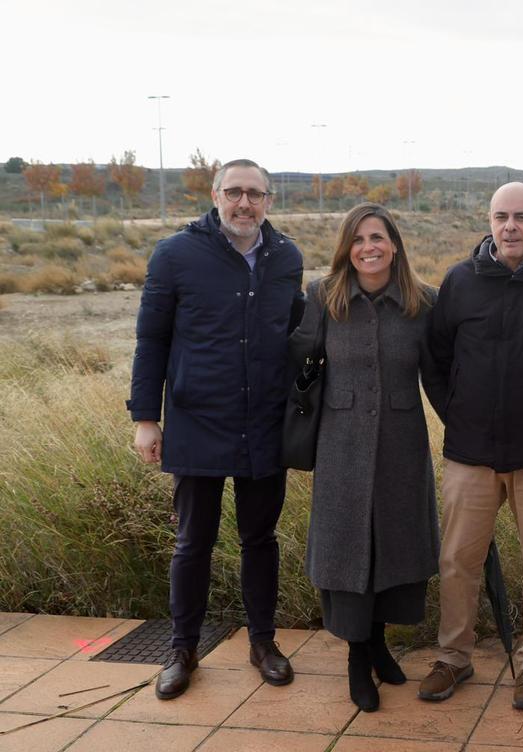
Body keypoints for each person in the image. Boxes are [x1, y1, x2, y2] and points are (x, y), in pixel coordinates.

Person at [128, 159, 303, 700]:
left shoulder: (286, 257)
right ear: (215, 195)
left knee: (259, 540)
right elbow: (151, 339)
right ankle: (182, 650)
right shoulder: (175, 254)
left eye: (255, 194)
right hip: (197, 421)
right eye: (234, 192)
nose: (244, 203)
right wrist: (145, 419)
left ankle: (263, 643)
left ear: (268, 201)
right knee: (192, 543)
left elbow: (293, 334)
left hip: (264, 424)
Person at [419, 182, 523, 711]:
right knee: (457, 561)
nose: (510, 226)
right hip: (470, 454)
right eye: (501, 216)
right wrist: (458, 417)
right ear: (489, 221)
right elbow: (435, 360)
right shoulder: (461, 281)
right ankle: (453, 657)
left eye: (521, 217)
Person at [289, 203, 443, 712]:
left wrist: (474, 432)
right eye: (357, 239)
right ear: (346, 248)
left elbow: (439, 378)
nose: (368, 247)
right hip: (341, 447)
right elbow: (297, 363)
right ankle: (358, 655)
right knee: (350, 550)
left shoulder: (424, 302)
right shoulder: (324, 297)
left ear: (395, 244)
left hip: (402, 446)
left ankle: (378, 641)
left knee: (391, 547)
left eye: (377, 237)